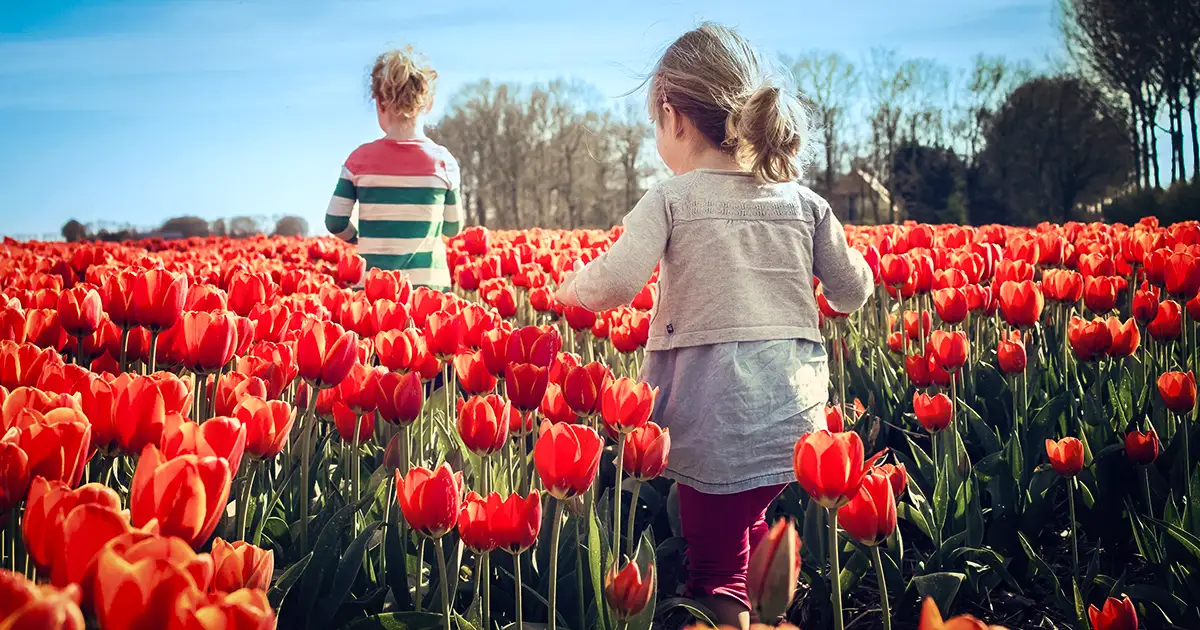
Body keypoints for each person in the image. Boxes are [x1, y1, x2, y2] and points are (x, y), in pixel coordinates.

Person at [555, 23, 873, 630]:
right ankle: (763, 608)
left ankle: (732, 617)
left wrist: (568, 287)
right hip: (796, 416)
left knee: (716, 574)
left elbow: (616, 283)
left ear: (672, 116)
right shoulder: (804, 203)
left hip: (715, 414)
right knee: (751, 527)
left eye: (655, 123)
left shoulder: (672, 198)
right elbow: (854, 291)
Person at [325, 47, 463, 290]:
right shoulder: (443, 162)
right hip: (429, 287)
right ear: (428, 104)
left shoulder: (359, 160)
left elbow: (334, 221)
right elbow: (453, 228)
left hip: (374, 288)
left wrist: (359, 238)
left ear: (379, 103)